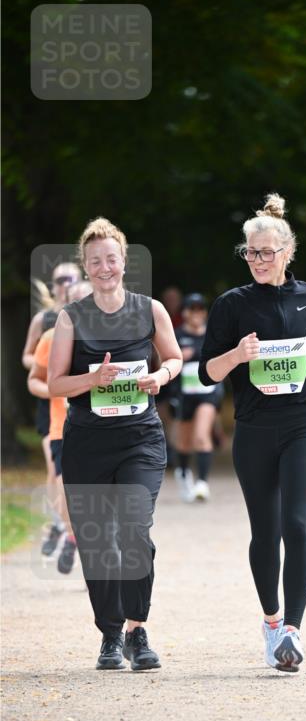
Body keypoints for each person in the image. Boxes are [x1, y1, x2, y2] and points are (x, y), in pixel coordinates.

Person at [199, 193, 306, 672]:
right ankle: (270, 623)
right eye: (251, 252)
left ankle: (293, 630)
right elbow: (207, 372)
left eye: (267, 252)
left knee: (297, 524)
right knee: (265, 534)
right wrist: (237, 356)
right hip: (254, 430)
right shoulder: (232, 305)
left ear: (288, 252)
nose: (259, 261)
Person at [48, 217, 182, 671]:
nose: (105, 267)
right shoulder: (72, 318)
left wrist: (160, 375)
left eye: (111, 258)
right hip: (87, 441)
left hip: (139, 438)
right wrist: (93, 378)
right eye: (95, 261)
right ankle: (109, 635)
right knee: (97, 541)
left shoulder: (150, 310)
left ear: (124, 261)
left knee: (134, 529)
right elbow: (54, 384)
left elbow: (176, 358)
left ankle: (136, 629)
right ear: (86, 268)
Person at [23, 262, 82, 555]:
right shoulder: (44, 320)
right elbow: (28, 359)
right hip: (52, 402)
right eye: (60, 279)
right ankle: (63, 521)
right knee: (53, 464)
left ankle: (69, 527)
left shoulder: (93, 318)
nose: (66, 283)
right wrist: (48, 371)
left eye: (71, 278)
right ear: (53, 284)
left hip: (79, 402)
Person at [28, 326, 77, 574]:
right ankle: (69, 532)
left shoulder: (110, 334)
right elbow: (33, 376)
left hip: (102, 427)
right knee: (61, 484)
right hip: (60, 426)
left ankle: (77, 539)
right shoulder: (50, 335)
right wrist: (56, 388)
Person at [174, 292, 224, 502]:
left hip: (208, 392)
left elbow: (220, 357)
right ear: (185, 313)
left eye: (200, 308)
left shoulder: (213, 333)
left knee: (201, 436)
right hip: (185, 395)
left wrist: (192, 353)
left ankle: (202, 483)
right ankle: (184, 473)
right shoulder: (176, 335)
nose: (196, 313)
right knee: (184, 442)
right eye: (192, 308)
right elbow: (166, 359)